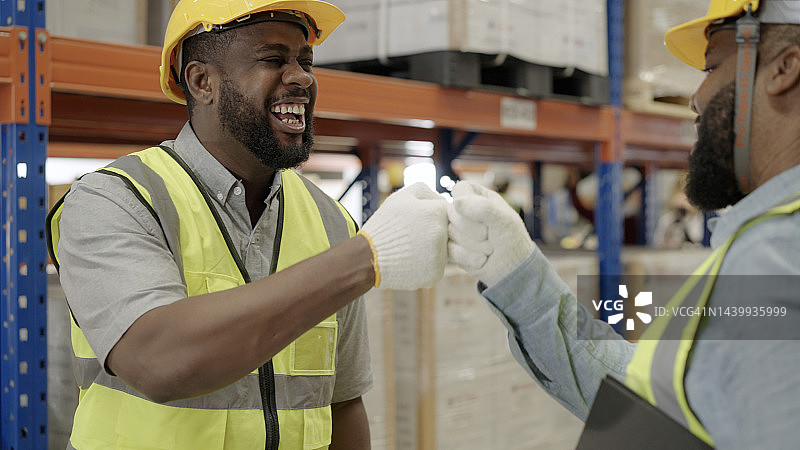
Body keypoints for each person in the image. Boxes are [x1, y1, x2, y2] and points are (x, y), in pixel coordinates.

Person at [45, 1, 448, 448]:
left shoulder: (331, 222)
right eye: (273, 59)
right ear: (202, 83)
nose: (302, 77)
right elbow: (157, 361)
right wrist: (367, 257)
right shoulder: (116, 201)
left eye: (305, 61)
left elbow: (342, 403)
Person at [447, 0, 800, 448]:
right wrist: (516, 274)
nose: (696, 97)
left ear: (784, 69)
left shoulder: (779, 257)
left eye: (712, 67)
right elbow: (659, 402)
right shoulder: (765, 245)